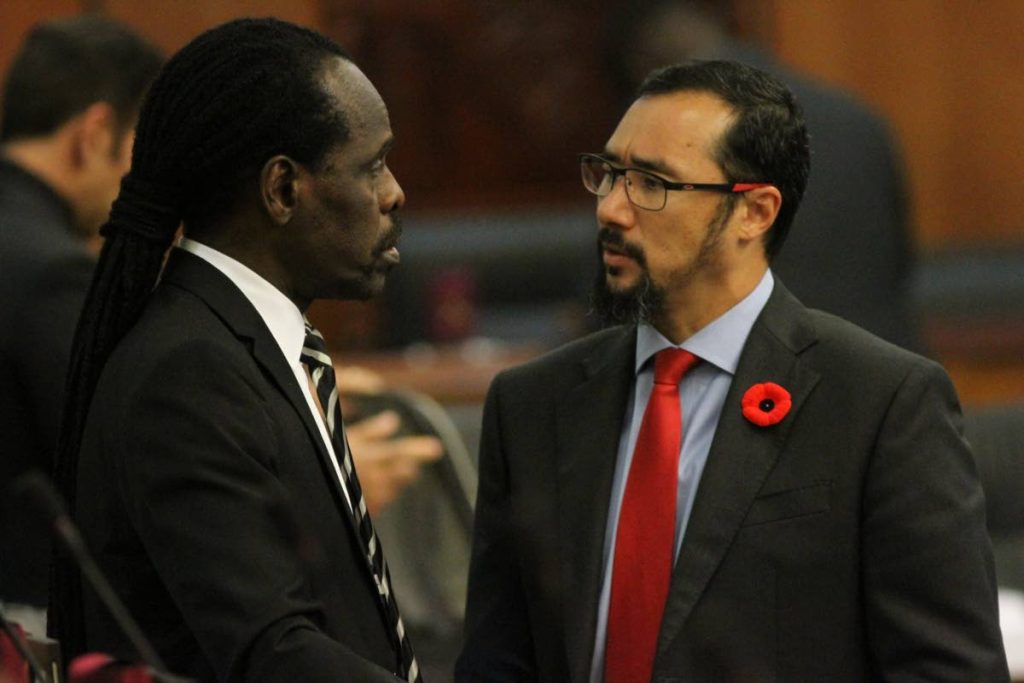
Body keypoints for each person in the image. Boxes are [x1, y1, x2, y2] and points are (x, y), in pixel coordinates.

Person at [457, 60, 1008, 681]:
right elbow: (496, 661)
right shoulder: (532, 403)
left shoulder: (880, 402)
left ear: (755, 212)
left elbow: (948, 671)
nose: (611, 209)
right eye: (608, 173)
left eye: (652, 183)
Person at [51, 18, 422, 682]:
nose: (395, 192)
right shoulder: (189, 372)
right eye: (372, 165)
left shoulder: (242, 346)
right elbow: (269, 650)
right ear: (282, 189)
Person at [608, 0, 924, 353]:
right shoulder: (857, 119)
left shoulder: (662, 138)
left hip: (756, 379)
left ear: (644, 65)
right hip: (884, 367)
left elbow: (629, 281)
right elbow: (901, 261)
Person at [0, 15, 163, 638]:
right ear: (95, 134)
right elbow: (114, 476)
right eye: (138, 150)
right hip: (27, 630)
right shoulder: (51, 269)